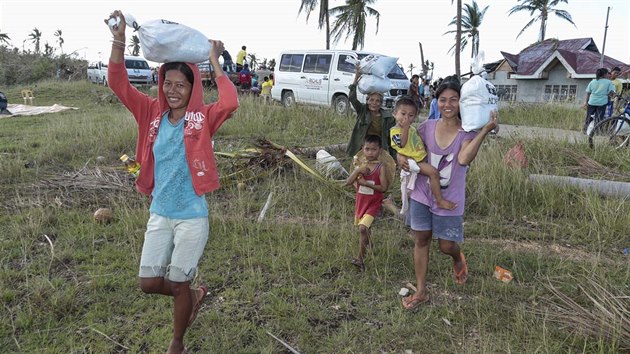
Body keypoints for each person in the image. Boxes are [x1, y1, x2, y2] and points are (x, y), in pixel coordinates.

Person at [105, 10, 239, 354]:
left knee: (178, 281)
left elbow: (230, 101)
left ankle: (177, 340)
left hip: (192, 216)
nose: (173, 90)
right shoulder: (150, 113)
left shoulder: (203, 117)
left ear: (192, 87)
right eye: (168, 83)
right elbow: (118, 83)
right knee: (148, 283)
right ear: (161, 84)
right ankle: (192, 295)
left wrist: (214, 59)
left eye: (181, 84)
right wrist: (119, 39)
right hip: (160, 212)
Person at [399, 76, 498, 310]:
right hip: (422, 193)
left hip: (450, 199)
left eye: (454, 99)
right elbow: (406, 148)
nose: (448, 104)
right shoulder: (426, 127)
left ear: (461, 103)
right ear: (437, 102)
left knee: (446, 246)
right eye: (443, 99)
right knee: (421, 239)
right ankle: (421, 291)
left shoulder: (467, 132)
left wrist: (485, 130)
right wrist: (400, 158)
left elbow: (463, 158)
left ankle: (457, 257)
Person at [390, 96, 456, 215]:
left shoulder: (411, 128)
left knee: (433, 175)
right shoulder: (395, 131)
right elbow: (402, 143)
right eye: (403, 114)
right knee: (434, 173)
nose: (406, 118)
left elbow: (418, 141)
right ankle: (440, 200)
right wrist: (405, 128)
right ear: (395, 113)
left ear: (415, 117)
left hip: (420, 158)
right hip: (414, 161)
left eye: (410, 116)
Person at [344, 134, 389, 271]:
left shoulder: (381, 167)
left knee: (362, 229)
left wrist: (366, 184)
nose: (370, 152)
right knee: (365, 230)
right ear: (362, 149)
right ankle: (368, 248)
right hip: (361, 204)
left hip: (373, 204)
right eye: (367, 149)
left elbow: (383, 188)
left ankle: (360, 259)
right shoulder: (359, 165)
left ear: (380, 150)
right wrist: (358, 170)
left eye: (374, 149)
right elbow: (348, 182)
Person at [583, 68, 615, 132]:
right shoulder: (608, 82)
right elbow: (611, 93)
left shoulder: (592, 81)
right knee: (599, 118)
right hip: (602, 103)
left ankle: (585, 130)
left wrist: (585, 102)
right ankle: (596, 132)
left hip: (591, 102)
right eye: (607, 74)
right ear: (605, 74)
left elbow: (588, 93)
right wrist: (614, 95)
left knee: (589, 117)